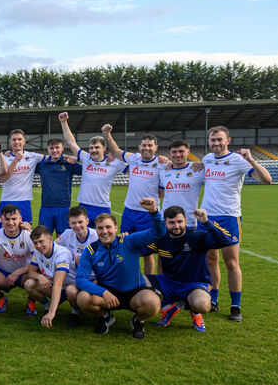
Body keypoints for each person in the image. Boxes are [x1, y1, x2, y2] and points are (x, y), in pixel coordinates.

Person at [201, 126, 272, 321]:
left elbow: (267, 180)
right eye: (213, 140)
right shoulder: (206, 159)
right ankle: (213, 300)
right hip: (207, 217)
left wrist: (251, 160)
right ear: (208, 142)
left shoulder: (239, 160)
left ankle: (235, 306)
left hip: (229, 217)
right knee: (210, 260)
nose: (216, 143)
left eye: (219, 139)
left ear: (228, 141)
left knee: (231, 262)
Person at [75, 198, 165, 340]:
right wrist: (103, 292)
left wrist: (154, 212)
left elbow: (159, 232)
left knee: (152, 304)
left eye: (108, 227)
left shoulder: (129, 241)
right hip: (107, 294)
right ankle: (105, 316)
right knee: (82, 298)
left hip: (134, 293)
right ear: (95, 230)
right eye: (100, 228)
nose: (104, 231)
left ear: (116, 228)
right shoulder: (91, 250)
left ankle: (138, 321)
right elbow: (80, 279)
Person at [146, 206, 234, 332]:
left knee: (202, 305)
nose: (176, 226)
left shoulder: (197, 236)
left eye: (180, 222)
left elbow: (227, 240)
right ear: (165, 223)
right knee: (136, 281)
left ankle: (195, 312)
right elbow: (137, 248)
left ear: (186, 221)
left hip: (194, 284)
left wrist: (206, 222)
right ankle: (168, 308)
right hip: (168, 282)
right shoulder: (161, 238)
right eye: (172, 223)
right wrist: (122, 240)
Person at [102, 125, 166, 275]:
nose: (147, 148)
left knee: (148, 252)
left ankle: (149, 282)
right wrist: (107, 134)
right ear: (139, 147)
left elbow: (162, 193)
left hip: (147, 214)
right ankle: (129, 279)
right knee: (125, 246)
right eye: (144, 145)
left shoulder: (162, 164)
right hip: (129, 211)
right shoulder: (134, 158)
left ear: (156, 148)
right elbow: (116, 151)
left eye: (150, 145)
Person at [59, 112, 126, 225]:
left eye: (97, 147)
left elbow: (134, 167)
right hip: (84, 206)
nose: (93, 150)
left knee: (104, 234)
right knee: (81, 233)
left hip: (102, 207)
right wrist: (64, 122)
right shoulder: (86, 158)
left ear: (104, 148)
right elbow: (71, 143)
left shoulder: (114, 163)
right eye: (91, 148)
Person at [56, 206, 99, 327]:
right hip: (77, 277)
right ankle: (75, 312)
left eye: (80, 222)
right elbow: (54, 247)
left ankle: (103, 314)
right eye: (73, 223)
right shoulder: (67, 234)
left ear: (87, 221)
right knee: (70, 291)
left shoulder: (96, 236)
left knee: (87, 296)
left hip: (95, 277)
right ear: (69, 223)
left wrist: (88, 261)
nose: (77, 225)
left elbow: (107, 259)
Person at [25, 225, 74, 328]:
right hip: (54, 286)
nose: (38, 246)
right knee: (29, 284)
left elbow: (58, 283)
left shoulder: (61, 253)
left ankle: (75, 313)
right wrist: (40, 277)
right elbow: (31, 272)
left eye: (41, 241)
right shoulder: (37, 251)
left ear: (50, 239)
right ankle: (47, 307)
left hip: (70, 288)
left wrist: (52, 313)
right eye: (35, 243)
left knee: (71, 291)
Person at [35, 138, 82, 235]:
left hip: (64, 207)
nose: (55, 150)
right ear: (48, 150)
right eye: (51, 148)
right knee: (44, 236)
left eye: (57, 147)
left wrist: (76, 160)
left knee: (63, 237)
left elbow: (87, 169)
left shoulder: (69, 164)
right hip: (46, 207)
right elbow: (25, 163)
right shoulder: (41, 165)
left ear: (62, 148)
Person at [0, 129, 44, 223]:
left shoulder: (33, 156)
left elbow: (52, 157)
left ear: (24, 141)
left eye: (19, 139)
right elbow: (2, 179)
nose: (17, 142)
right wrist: (15, 160)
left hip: (24, 200)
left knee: (26, 229)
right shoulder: (4, 158)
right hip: (7, 199)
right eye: (14, 139)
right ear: (10, 142)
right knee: (4, 228)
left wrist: (69, 157)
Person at [159, 140, 205, 230]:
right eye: (174, 152)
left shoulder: (198, 170)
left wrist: (203, 163)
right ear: (170, 153)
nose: (177, 155)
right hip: (166, 221)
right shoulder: (163, 172)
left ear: (188, 152)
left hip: (189, 222)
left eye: (181, 151)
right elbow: (161, 194)